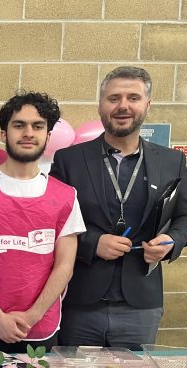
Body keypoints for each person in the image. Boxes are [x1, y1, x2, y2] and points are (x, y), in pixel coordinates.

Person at [50, 67, 187, 350]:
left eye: (133, 98)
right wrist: (91, 242)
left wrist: (172, 241)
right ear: (100, 105)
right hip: (79, 302)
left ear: (147, 105)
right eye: (114, 98)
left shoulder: (172, 161)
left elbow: (184, 217)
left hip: (141, 305)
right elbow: (51, 220)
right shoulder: (68, 161)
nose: (123, 106)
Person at [0, 92, 85, 353]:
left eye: (37, 126)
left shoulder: (66, 196)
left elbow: (65, 265)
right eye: (19, 125)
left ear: (47, 136)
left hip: (39, 327)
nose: (28, 133)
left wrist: (32, 317)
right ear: (4, 133)